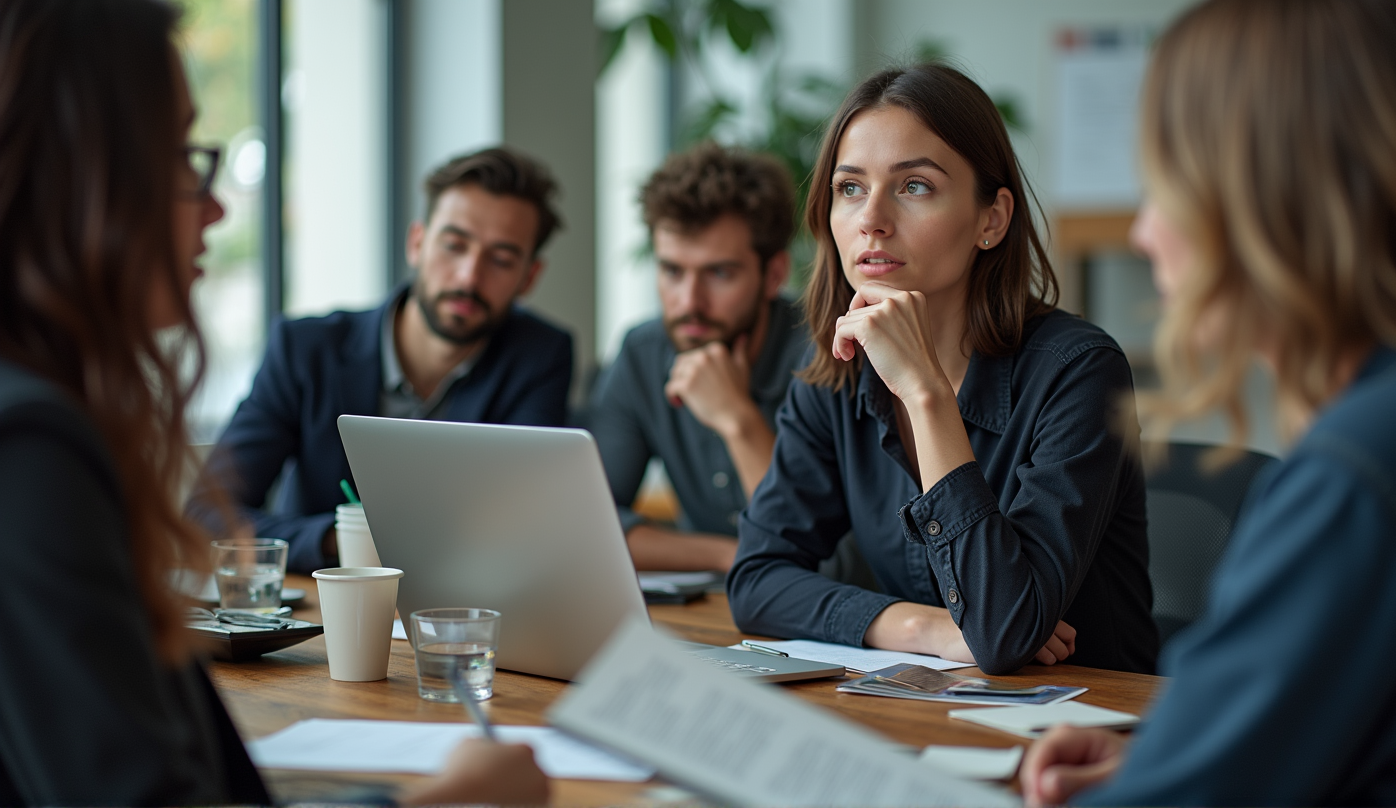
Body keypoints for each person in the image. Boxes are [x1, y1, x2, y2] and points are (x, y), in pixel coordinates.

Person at [0, 1, 548, 803]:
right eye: (180, 158)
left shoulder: (40, 422)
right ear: (85, 176)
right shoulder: (29, 446)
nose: (216, 208)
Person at [1019, 0, 1396, 804]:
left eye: (1168, 185)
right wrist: (1168, 754)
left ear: (1271, 195)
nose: (1144, 233)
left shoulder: (1359, 475)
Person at [727, 63, 1158, 675]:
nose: (871, 218)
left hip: (1086, 731)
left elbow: (1005, 632)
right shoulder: (837, 367)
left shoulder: (1079, 371)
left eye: (915, 187)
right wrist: (923, 627)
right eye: (850, 188)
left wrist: (926, 393)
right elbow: (757, 580)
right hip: (931, 711)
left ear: (992, 219)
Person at [191, 147, 574, 573]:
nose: (469, 276)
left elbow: (528, 526)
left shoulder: (540, 356)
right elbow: (206, 514)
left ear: (530, 277)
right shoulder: (306, 349)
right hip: (323, 613)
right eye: (453, 245)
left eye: (501, 260)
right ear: (417, 243)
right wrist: (339, 540)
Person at [588, 143, 810, 572]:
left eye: (720, 273)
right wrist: (730, 556)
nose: (690, 302)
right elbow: (586, 523)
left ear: (775, 275)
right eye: (672, 271)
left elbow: (825, 559)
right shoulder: (642, 353)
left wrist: (737, 418)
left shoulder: (828, 354)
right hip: (712, 610)